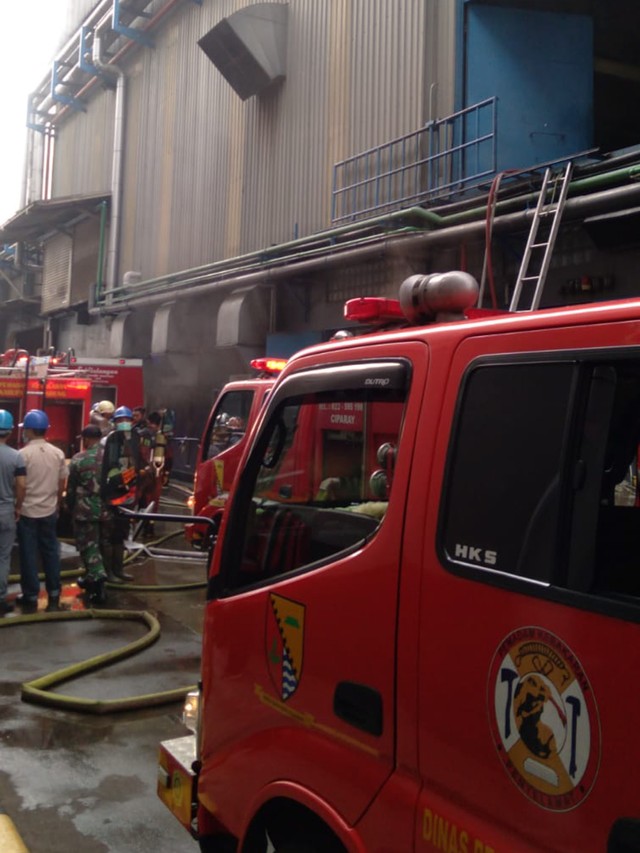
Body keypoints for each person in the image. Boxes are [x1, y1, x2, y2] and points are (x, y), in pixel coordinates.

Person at [16, 409, 67, 613]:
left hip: (27, 511)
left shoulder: (22, 455)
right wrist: (56, 503)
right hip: (49, 510)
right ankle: (54, 591)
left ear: (29, 430)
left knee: (28, 553)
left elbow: (19, 485)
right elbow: (62, 482)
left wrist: (18, 506)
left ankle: (30, 594)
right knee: (51, 552)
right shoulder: (58, 453)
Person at [66, 424, 109, 604]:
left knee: (88, 546)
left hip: (86, 510)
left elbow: (71, 488)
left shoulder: (78, 459)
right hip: (108, 510)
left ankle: (97, 580)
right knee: (101, 545)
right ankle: (91, 579)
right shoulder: (111, 458)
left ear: (86, 439)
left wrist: (69, 506)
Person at [100, 406, 138, 582]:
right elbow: (110, 467)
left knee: (121, 533)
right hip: (113, 493)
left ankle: (118, 569)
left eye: (126, 420)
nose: (124, 423)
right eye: (120, 420)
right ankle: (108, 572)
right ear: (114, 422)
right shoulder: (111, 440)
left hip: (127, 495)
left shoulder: (131, 439)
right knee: (110, 533)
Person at [0, 411, 26, 615]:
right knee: (3, 557)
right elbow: (21, 485)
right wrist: (18, 506)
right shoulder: (16, 456)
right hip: (6, 511)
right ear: (9, 432)